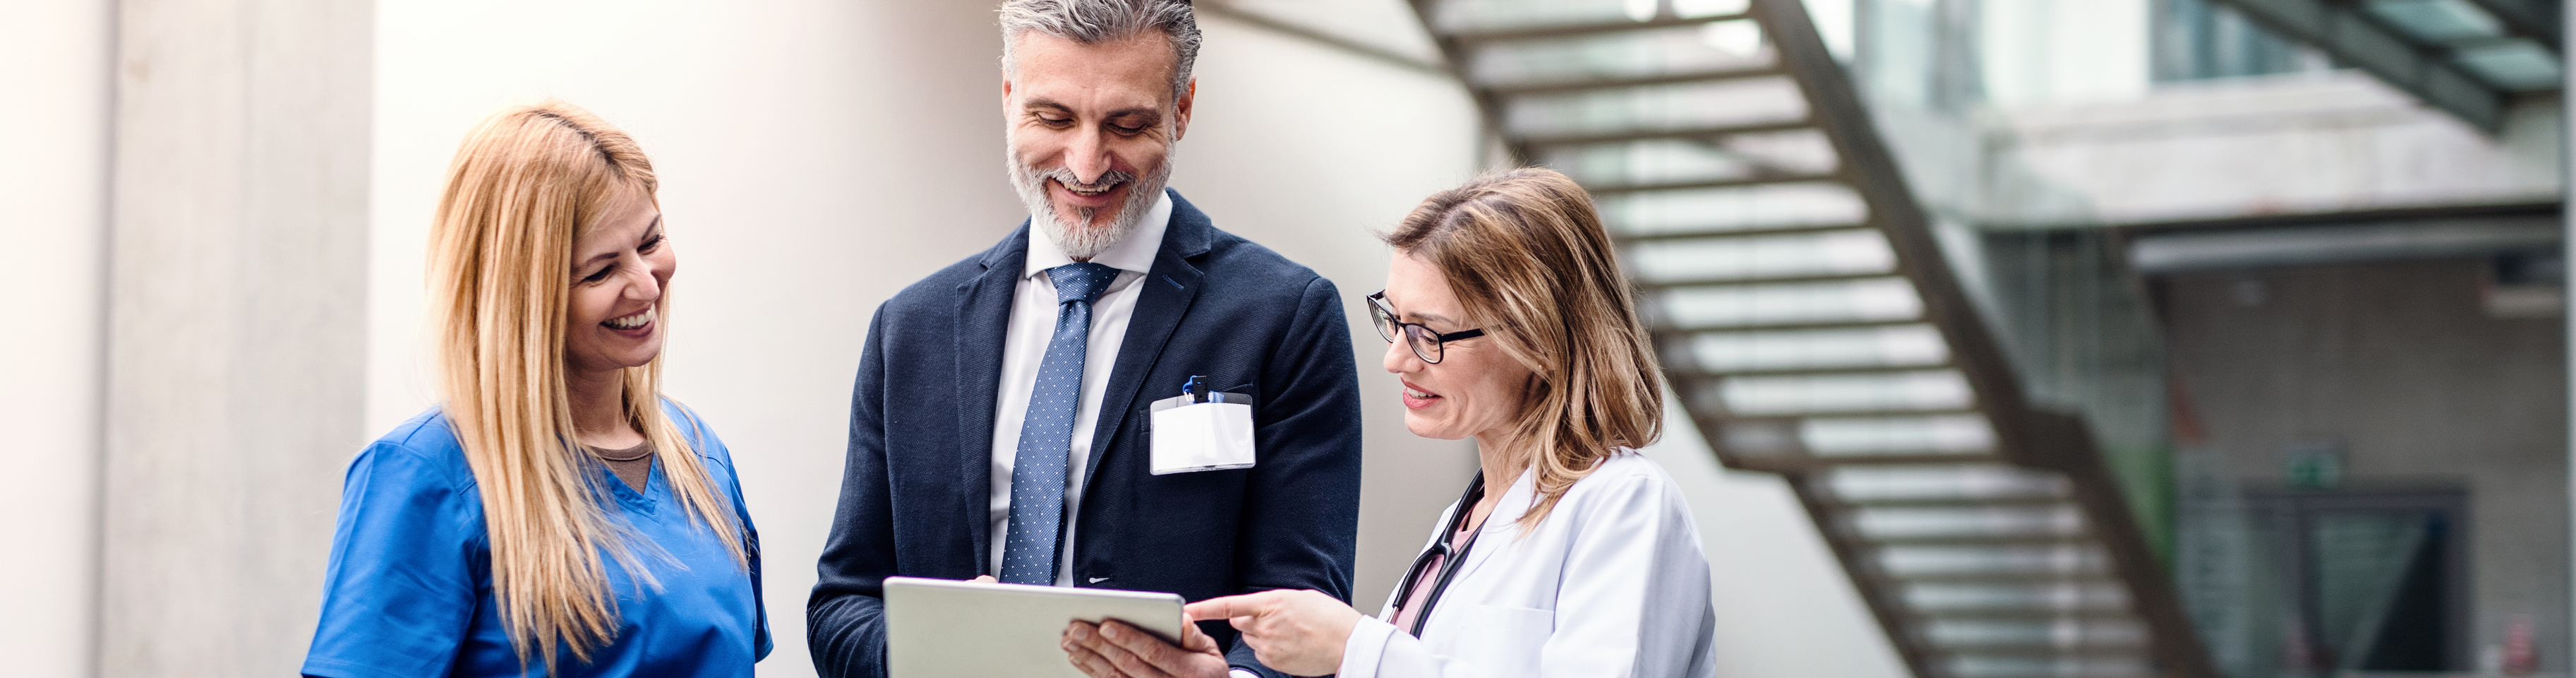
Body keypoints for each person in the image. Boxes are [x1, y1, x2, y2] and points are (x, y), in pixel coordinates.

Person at [804, 1, 1365, 677]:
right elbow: (842, 605)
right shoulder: (912, 329)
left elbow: (1305, 607)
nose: (1087, 163)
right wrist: (943, 648)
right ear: (1009, 96)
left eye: (1127, 125)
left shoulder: (1285, 317)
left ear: (1182, 108)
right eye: (1054, 118)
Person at [1077, 169, 1717, 678]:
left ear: (1541, 340)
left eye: (1430, 335)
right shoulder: (1460, 527)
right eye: (1394, 321)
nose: (1395, 359)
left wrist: (1357, 649)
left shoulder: (1625, 506)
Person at [301, 102, 767, 678]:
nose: (646, 284)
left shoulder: (699, 455)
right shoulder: (427, 476)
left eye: (650, 243)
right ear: (523, 294)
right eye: (600, 272)